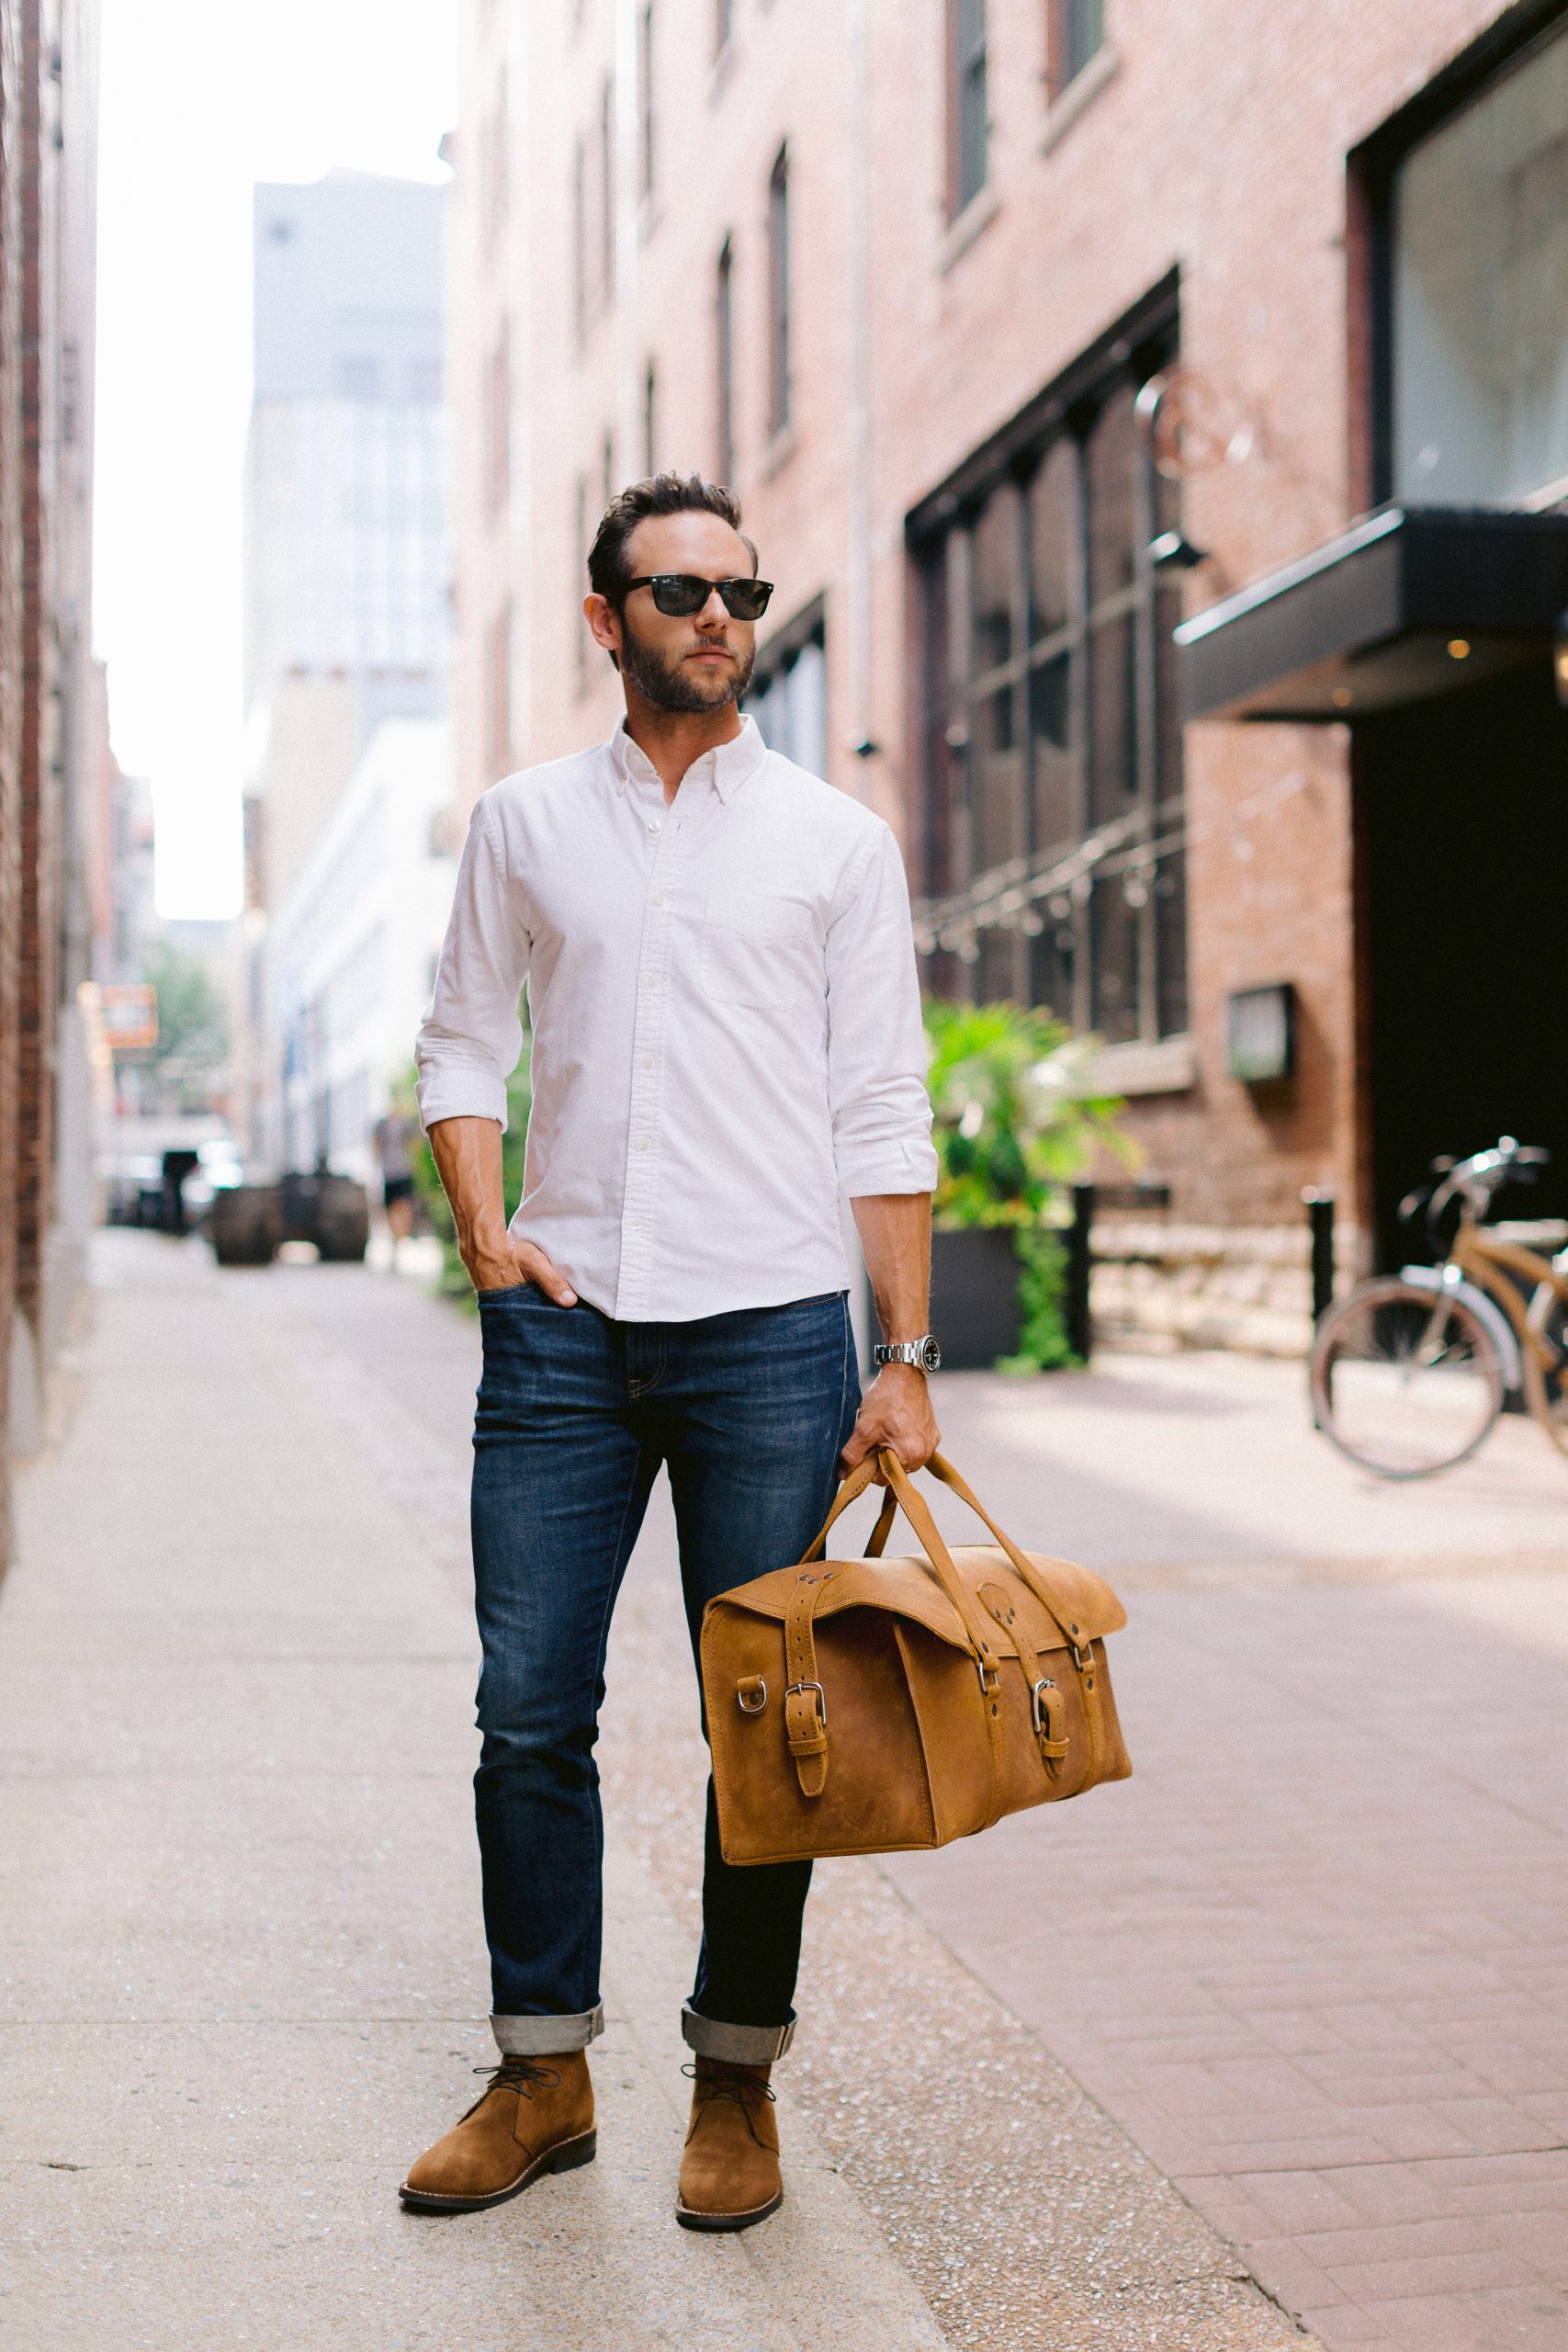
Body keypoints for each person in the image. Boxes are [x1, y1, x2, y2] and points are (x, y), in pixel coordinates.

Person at [401, 472, 941, 2233]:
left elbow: (879, 1101)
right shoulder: (524, 823)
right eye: (678, 591)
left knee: (770, 1724)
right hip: (565, 1332)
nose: (717, 617)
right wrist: (486, 1234)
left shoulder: (836, 844)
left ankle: (734, 2080)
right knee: (527, 1712)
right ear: (605, 620)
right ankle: (543, 2068)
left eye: (739, 592)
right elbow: (462, 1037)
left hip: (775, 1328)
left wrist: (903, 1352)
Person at [371, 1107, 418, 1255]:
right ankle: (397, 1237)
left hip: (404, 1171)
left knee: (403, 1205)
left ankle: (402, 1236)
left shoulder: (406, 1125)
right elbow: (375, 1144)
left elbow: (414, 1144)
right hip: (389, 1173)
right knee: (391, 1207)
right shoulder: (382, 1125)